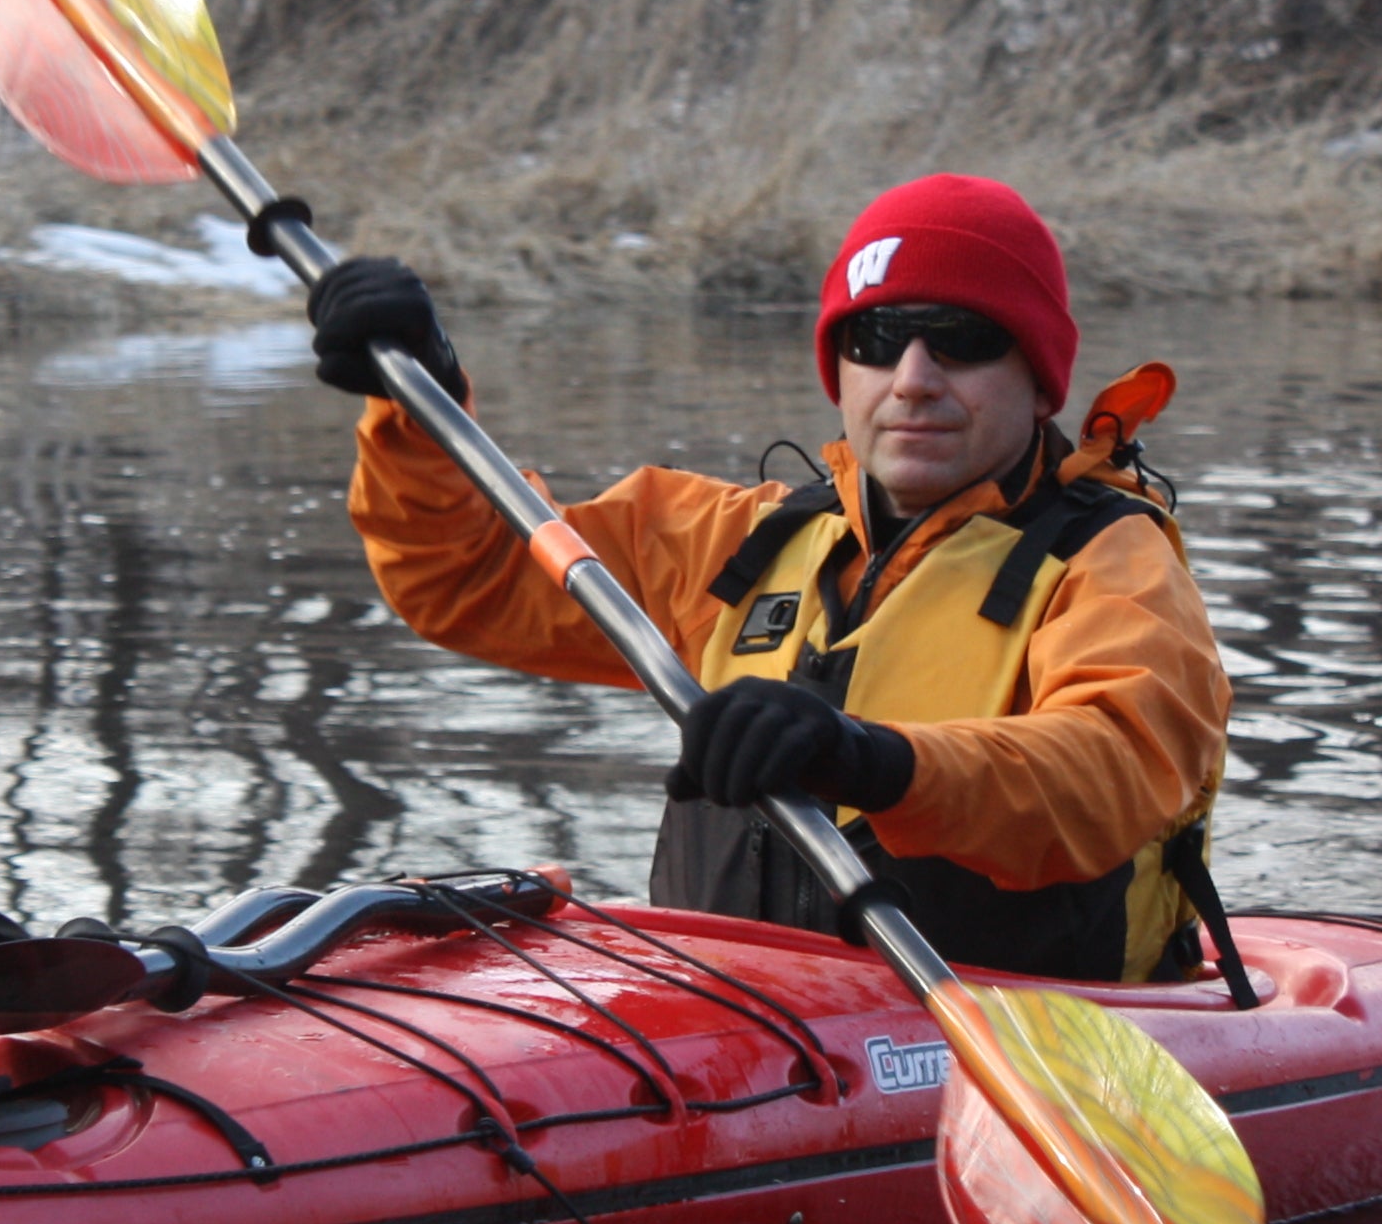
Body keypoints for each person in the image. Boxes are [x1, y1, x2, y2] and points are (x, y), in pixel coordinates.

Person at [310, 172, 1235, 987]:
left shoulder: (1112, 562)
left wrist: (870, 759)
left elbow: (1116, 772)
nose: (913, 378)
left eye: (960, 340)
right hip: (725, 1030)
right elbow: (465, 576)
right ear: (839, 371)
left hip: (1002, 1027)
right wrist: (416, 406)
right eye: (876, 339)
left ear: (1040, 384)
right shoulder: (736, 541)